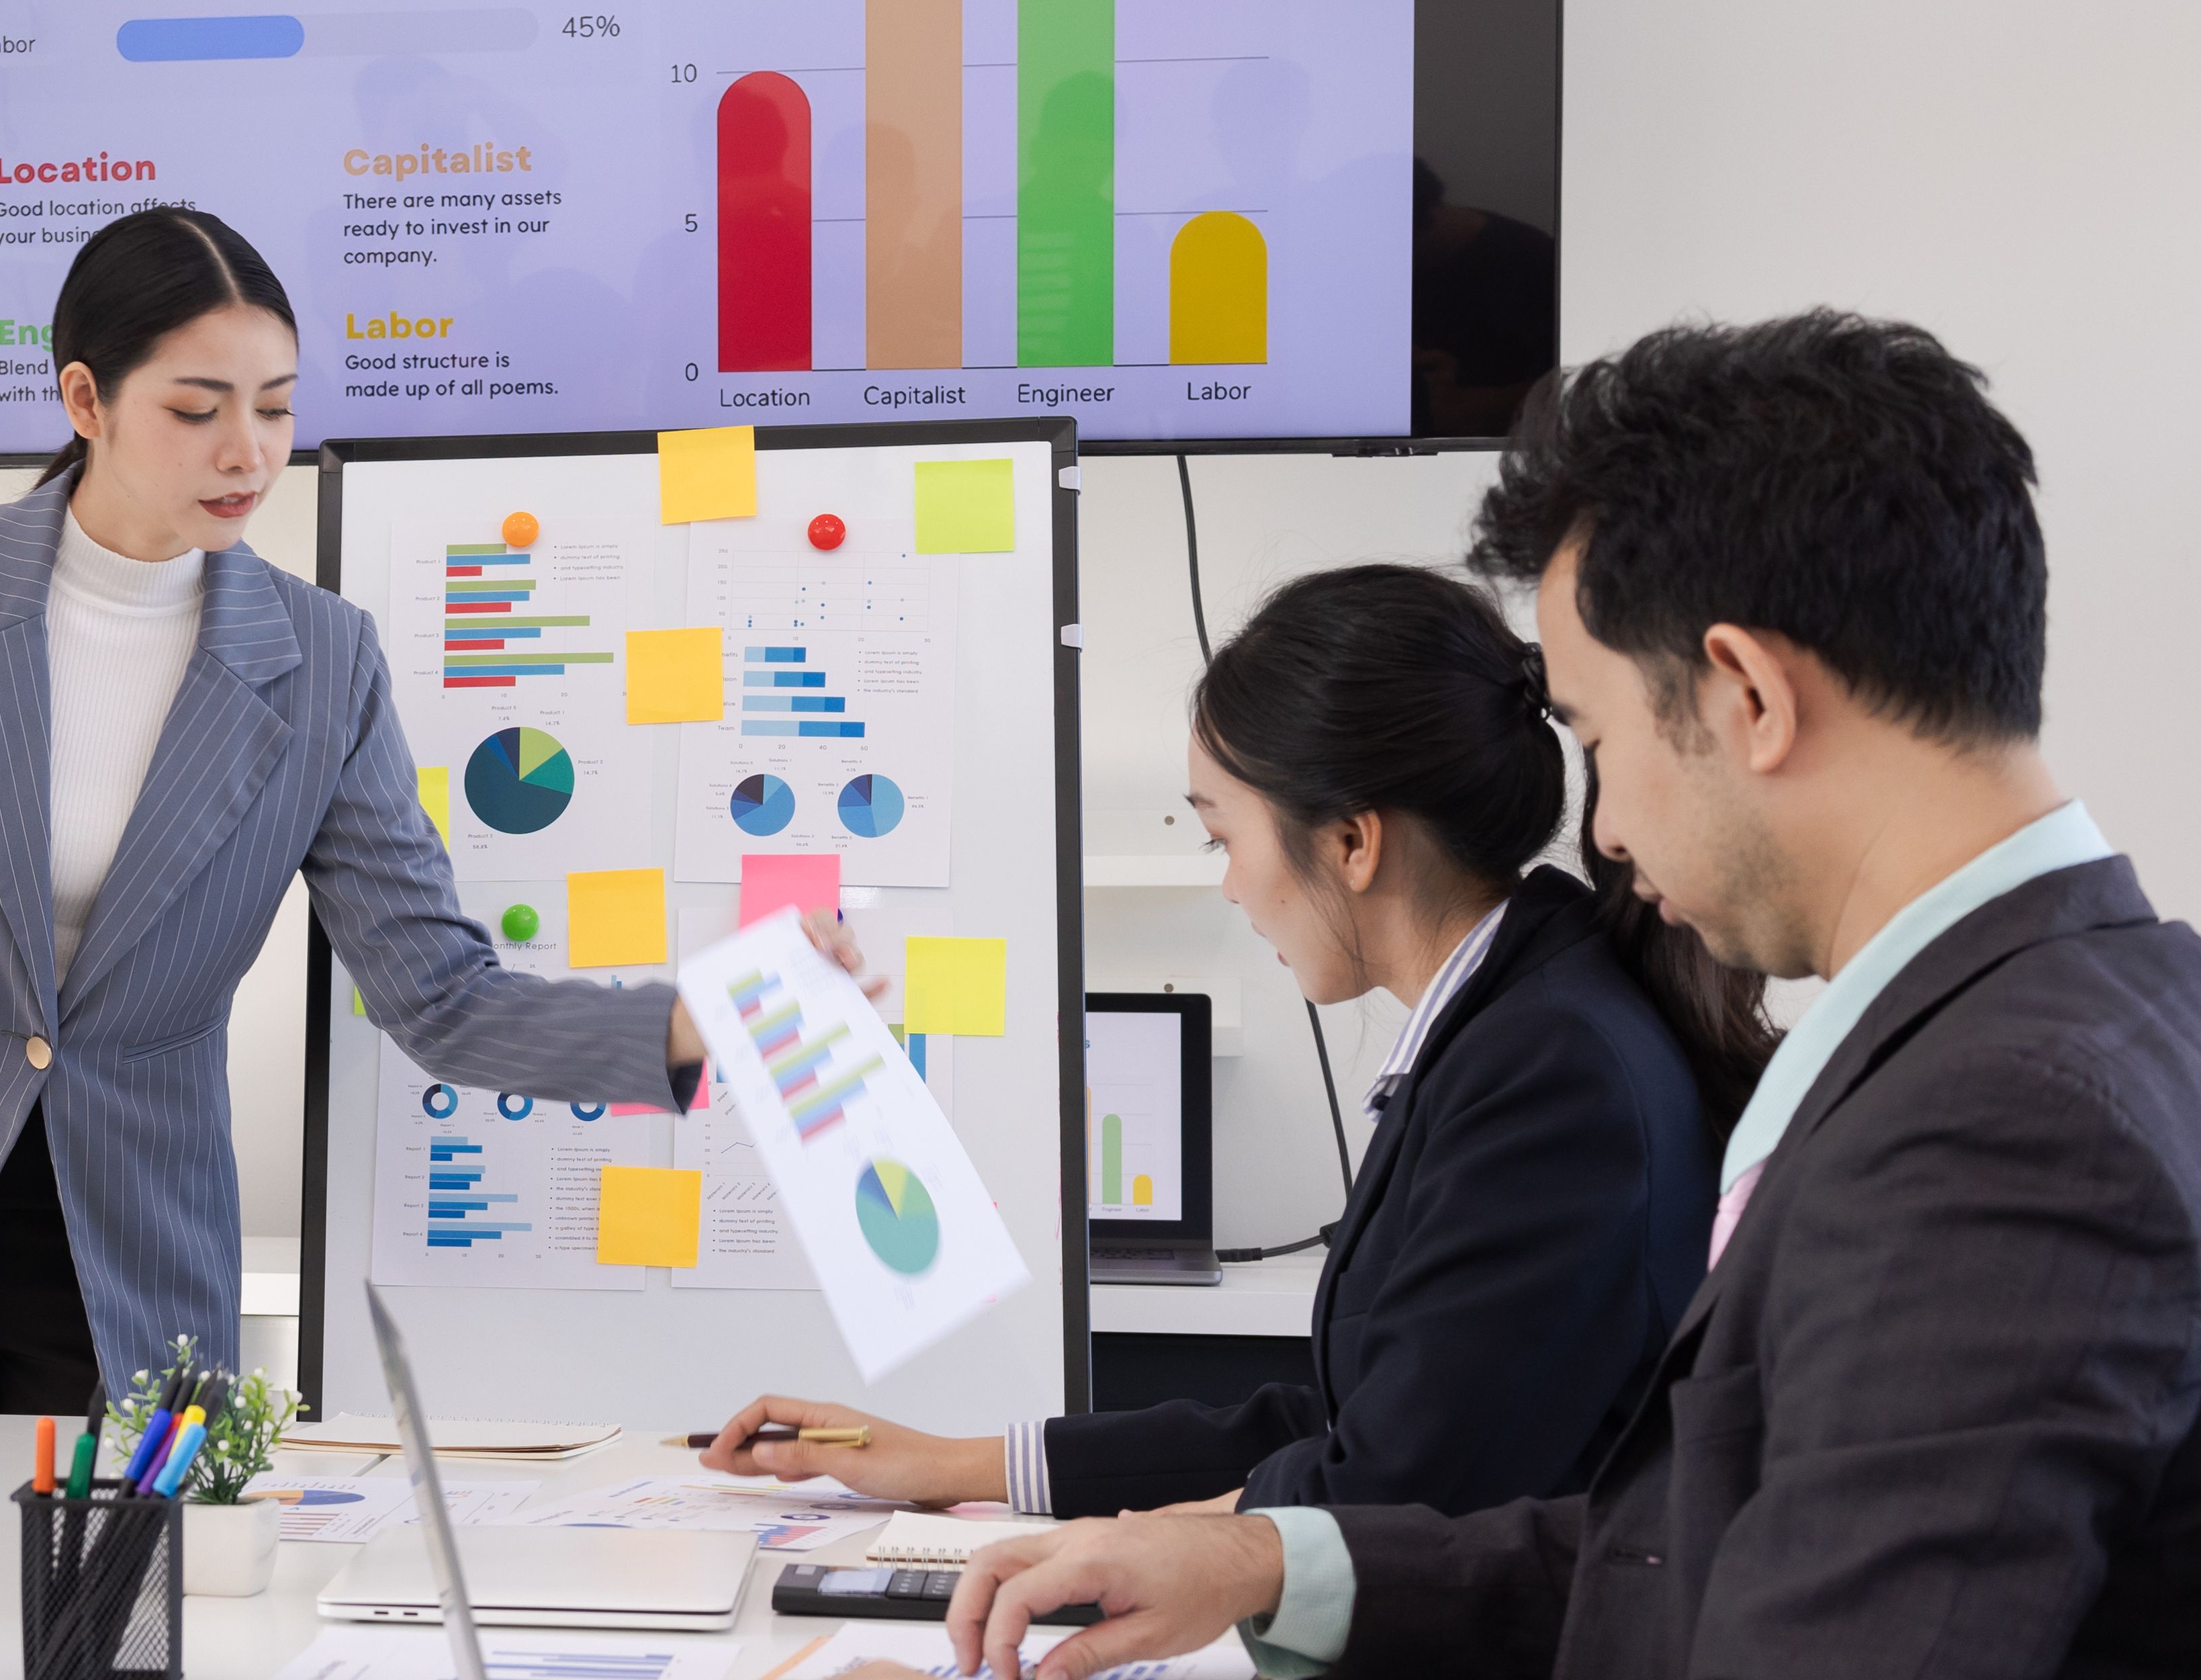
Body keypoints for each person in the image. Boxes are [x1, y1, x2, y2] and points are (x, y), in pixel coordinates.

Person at [697, 312, 2201, 1680]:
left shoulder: (2008, 1127)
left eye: (1595, 739)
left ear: (1742, 693)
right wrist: (1276, 1570)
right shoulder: (2110, 1001)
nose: (1599, 829)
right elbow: (1714, 1544)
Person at [0, 203, 866, 1412]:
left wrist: (697, 1023)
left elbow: (443, 999)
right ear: (87, 401)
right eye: (198, 411)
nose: (249, 454)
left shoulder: (324, 664)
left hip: (127, 1269)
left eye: (276, 407)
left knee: (106, 1610)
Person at [704, 562, 1766, 1518]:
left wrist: (1143, 1552)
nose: (1227, 885)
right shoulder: (1522, 1021)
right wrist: (956, 1465)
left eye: (1224, 837)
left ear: (1351, 842)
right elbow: (1346, 1420)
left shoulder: (1549, 1072)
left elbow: (1392, 1490)